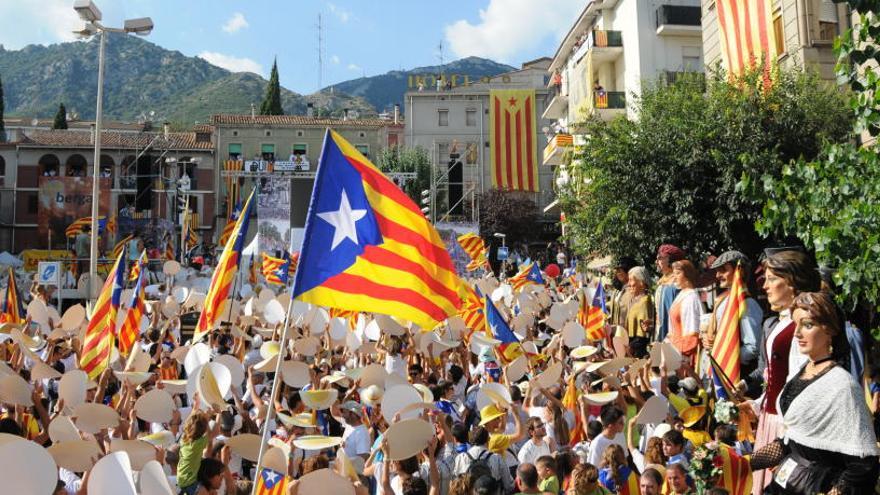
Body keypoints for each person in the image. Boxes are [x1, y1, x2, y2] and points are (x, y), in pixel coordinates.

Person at [749, 291, 879, 494]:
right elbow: (789, 443)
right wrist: (742, 463)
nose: (797, 333)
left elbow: (863, 463)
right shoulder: (802, 372)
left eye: (807, 325)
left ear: (830, 330)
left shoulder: (842, 385)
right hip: (784, 481)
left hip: (816, 486)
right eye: (796, 324)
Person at [750, 249, 820, 495]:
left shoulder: (800, 328)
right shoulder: (783, 323)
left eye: (771, 279)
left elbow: (800, 384)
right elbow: (776, 379)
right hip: (771, 421)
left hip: (786, 426)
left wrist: (790, 437)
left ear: (790, 282)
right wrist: (758, 403)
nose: (765, 286)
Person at [702, 251, 763, 391]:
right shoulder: (724, 300)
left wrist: (724, 354)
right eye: (717, 271)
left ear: (738, 271)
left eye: (723, 270)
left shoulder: (747, 304)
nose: (718, 275)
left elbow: (752, 347)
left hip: (736, 376)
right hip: (720, 371)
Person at [666, 260, 703, 365]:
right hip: (675, 351)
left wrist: (682, 354)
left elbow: (692, 334)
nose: (675, 277)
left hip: (683, 357)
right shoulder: (682, 294)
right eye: (674, 274)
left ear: (687, 274)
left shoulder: (691, 298)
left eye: (678, 273)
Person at [654, 244, 685, 341]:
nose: (656, 262)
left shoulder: (676, 284)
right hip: (660, 329)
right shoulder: (661, 282)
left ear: (671, 260)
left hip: (672, 332)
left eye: (660, 258)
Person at [625, 266, 654, 358]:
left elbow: (643, 334)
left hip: (639, 352)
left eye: (631, 280)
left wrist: (630, 347)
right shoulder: (636, 300)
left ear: (641, 283)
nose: (628, 284)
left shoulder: (644, 301)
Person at [609, 257, 636, 328]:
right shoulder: (616, 291)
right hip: (615, 333)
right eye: (617, 270)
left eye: (620, 270)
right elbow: (613, 305)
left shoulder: (634, 291)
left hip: (627, 333)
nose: (618, 273)